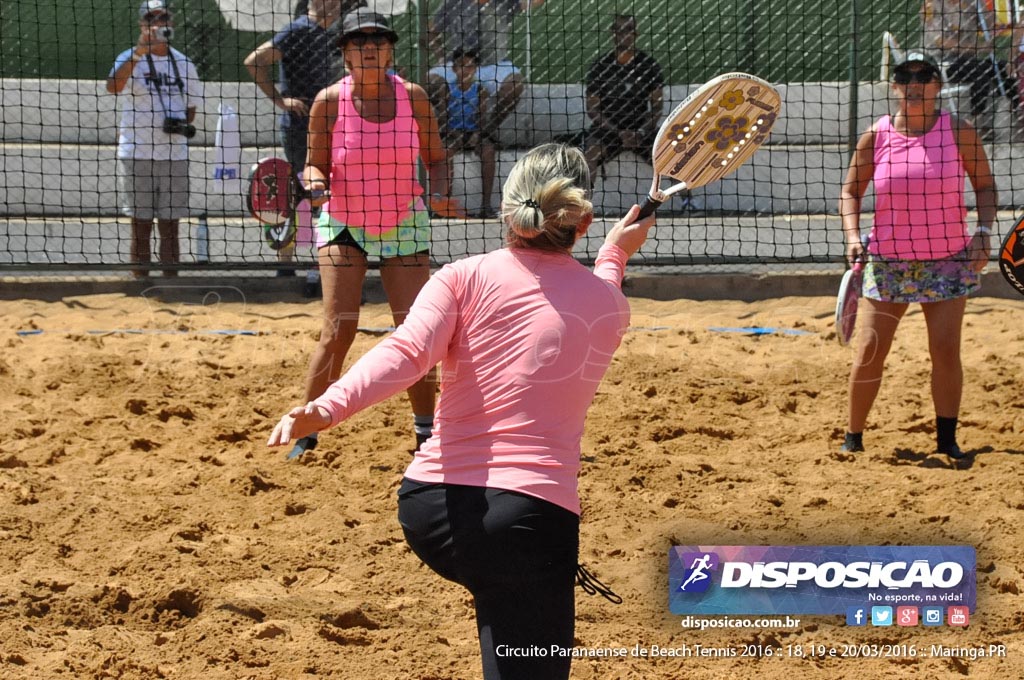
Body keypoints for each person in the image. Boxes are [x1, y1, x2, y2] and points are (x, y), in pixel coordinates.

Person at [269, 142, 656, 680]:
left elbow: (405, 354)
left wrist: (323, 409)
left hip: (431, 508)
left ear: (507, 210)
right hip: (527, 517)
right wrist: (615, 254)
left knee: (501, 590)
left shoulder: (460, 275)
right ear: (583, 220)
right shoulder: (610, 307)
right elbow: (594, 291)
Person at [284, 8, 451, 457]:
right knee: (339, 328)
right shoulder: (328, 101)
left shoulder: (413, 97)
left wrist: (438, 195)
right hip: (344, 221)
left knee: (416, 331)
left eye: (378, 40)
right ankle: (307, 429)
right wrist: (316, 182)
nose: (370, 47)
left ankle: (425, 432)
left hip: (402, 218)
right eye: (359, 41)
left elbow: (437, 158)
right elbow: (315, 161)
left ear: (391, 51)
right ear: (345, 54)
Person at [838, 51, 995, 460]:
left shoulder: (959, 132)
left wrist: (982, 233)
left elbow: (985, 187)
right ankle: (853, 438)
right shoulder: (877, 135)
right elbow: (850, 192)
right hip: (888, 262)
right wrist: (852, 235)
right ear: (894, 87)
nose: (914, 83)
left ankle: (947, 441)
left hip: (947, 260)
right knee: (871, 350)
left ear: (938, 86)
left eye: (924, 76)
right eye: (904, 77)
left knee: (945, 351)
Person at [245, 0, 351, 281]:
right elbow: (254, 61)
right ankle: (286, 262)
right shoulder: (297, 31)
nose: (332, 3)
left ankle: (332, 263)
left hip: (339, 125)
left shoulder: (344, 31)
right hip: (301, 127)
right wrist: (281, 100)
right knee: (297, 193)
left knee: (337, 193)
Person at [106, 0, 203, 278]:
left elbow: (191, 111)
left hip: (173, 154)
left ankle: (171, 282)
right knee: (140, 223)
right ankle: (140, 283)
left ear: (171, 24)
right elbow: (113, 86)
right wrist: (140, 51)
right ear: (142, 24)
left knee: (171, 225)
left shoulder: (184, 63)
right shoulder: (130, 58)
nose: (159, 24)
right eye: (152, 19)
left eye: (164, 19)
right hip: (136, 152)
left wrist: (176, 124)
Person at [426, 0, 546, 142]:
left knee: (514, 85)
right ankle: (448, 130)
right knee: (428, 83)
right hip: (461, 64)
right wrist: (441, 57)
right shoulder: (452, 3)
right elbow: (431, 30)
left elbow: (532, 2)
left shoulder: (505, 2)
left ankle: (485, 133)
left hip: (494, 65)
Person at [583, 14, 664, 180]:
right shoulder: (601, 66)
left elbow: (657, 107)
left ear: (636, 34)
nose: (624, 34)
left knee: (670, 154)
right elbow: (592, 109)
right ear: (612, 33)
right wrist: (618, 132)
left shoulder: (648, 65)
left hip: (641, 129)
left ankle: (688, 201)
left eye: (629, 30)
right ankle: (584, 203)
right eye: (619, 30)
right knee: (589, 154)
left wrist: (641, 131)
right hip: (608, 129)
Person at [922, 0, 1016, 137]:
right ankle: (978, 124)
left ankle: (1017, 112)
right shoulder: (932, 5)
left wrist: (983, 7)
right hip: (941, 61)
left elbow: (989, 26)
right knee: (979, 73)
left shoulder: (971, 3)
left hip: (967, 59)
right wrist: (976, 47)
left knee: (1003, 69)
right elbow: (942, 41)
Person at [442, 47, 498, 218]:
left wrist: (477, 134)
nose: (465, 70)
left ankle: (486, 205)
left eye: (469, 66)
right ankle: (446, 204)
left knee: (488, 152)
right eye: (461, 66)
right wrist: (454, 133)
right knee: (446, 153)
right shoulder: (447, 89)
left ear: (475, 69)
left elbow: (482, 119)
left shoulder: (480, 90)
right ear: (453, 68)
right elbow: (443, 118)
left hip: (474, 133)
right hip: (453, 133)